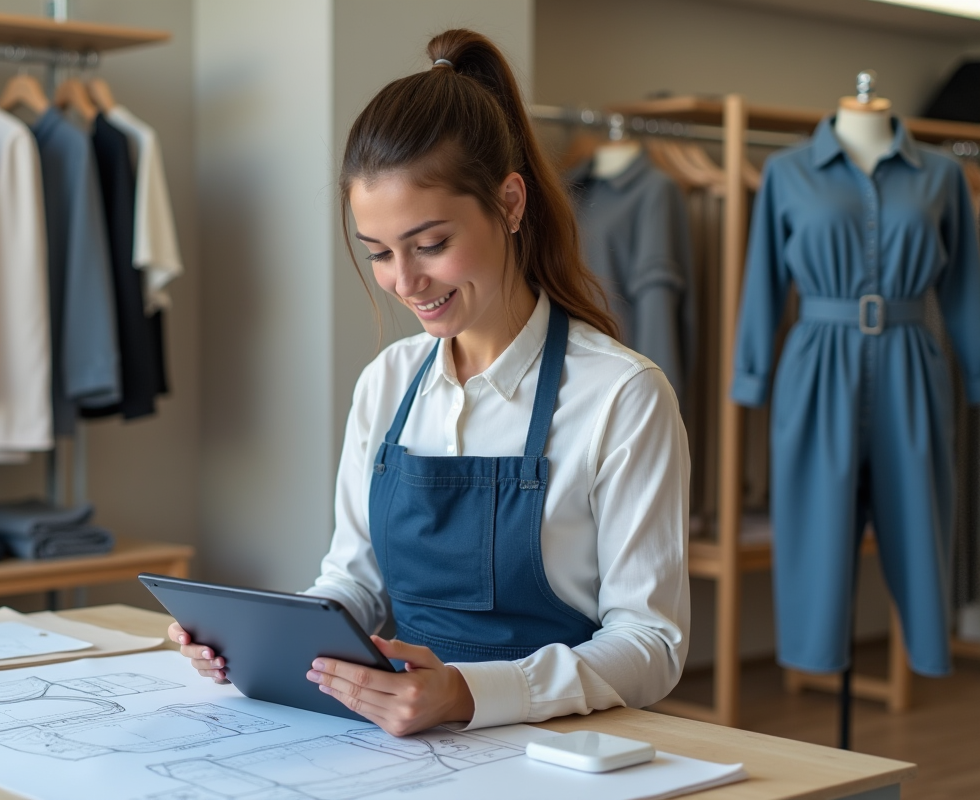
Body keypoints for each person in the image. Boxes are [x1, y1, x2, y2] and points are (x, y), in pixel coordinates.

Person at [170, 29, 690, 736]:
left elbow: (651, 645)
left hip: (559, 749)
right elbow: (353, 584)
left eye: (431, 245)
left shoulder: (621, 396)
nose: (405, 283)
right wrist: (258, 642)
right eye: (380, 253)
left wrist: (469, 694)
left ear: (510, 203)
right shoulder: (386, 383)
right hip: (398, 746)